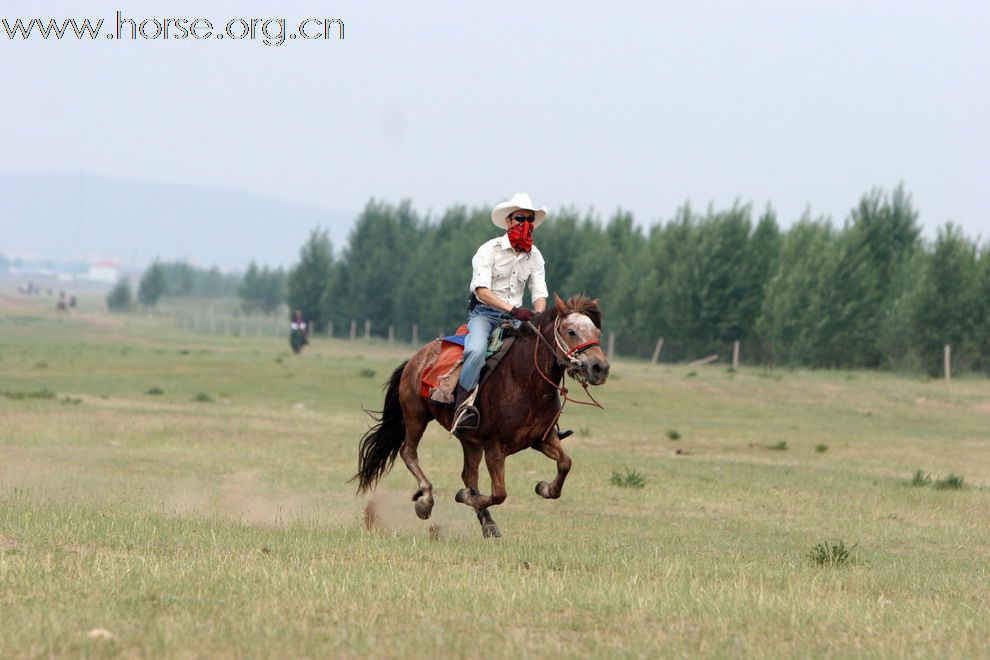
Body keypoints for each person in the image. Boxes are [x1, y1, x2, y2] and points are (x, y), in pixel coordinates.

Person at [454, 192, 549, 431]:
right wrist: (514, 310)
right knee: (475, 352)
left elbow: (539, 293)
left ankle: (546, 419)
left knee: (542, 355)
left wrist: (538, 315)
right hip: (485, 315)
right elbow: (482, 291)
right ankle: (462, 407)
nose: (525, 225)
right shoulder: (489, 250)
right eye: (520, 219)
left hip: (517, 318)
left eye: (529, 220)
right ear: (508, 221)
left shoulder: (535, 255)